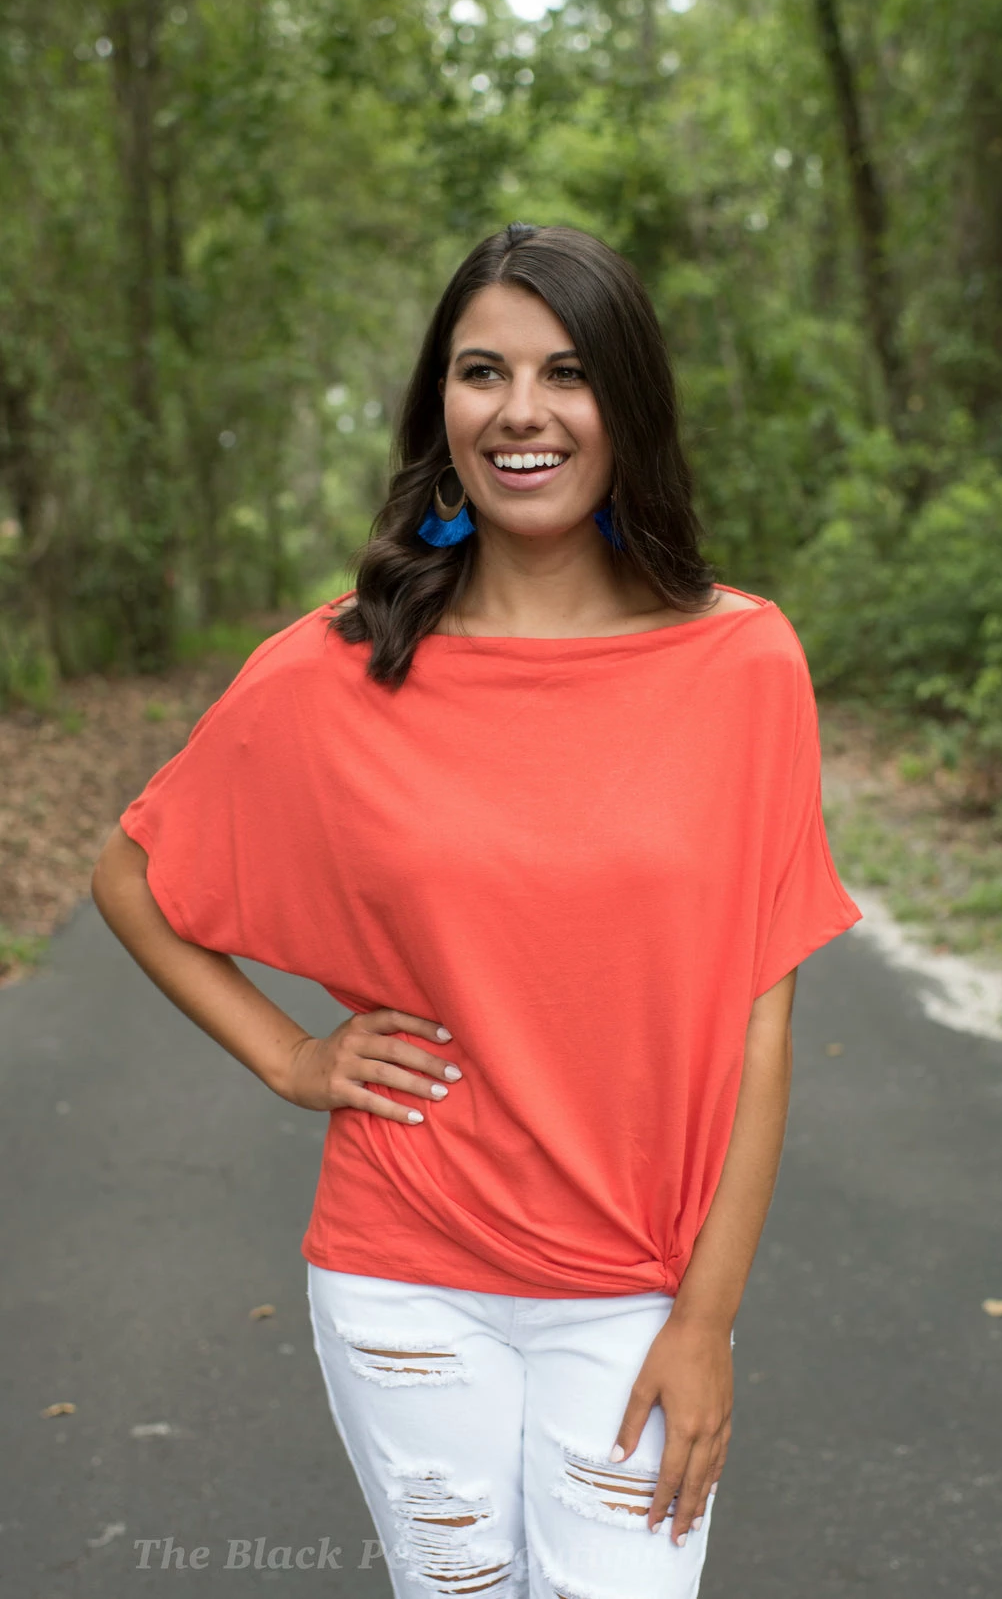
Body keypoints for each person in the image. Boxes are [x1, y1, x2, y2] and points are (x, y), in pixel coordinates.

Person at [92, 221, 862, 1599]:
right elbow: (134, 875)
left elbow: (761, 1018)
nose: (521, 412)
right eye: (480, 371)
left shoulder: (744, 662)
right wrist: (292, 1055)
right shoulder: (341, 664)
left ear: (625, 404)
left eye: (566, 373)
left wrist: (709, 1315)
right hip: (405, 1276)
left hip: (636, 1285)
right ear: (437, 406)